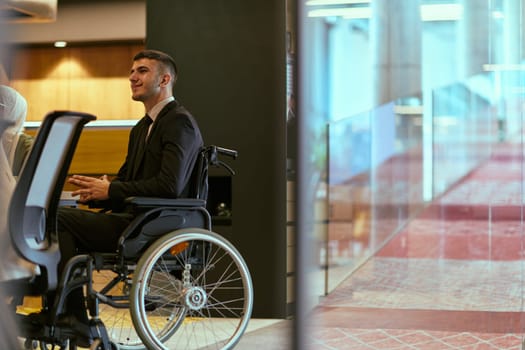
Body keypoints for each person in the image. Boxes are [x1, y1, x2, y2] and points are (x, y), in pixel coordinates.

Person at [52, 49, 204, 343]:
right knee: (54, 219)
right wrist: (96, 194)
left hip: (154, 224)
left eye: (142, 71)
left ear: (165, 79)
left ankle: (73, 317)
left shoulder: (179, 122)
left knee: (58, 220)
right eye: (132, 71)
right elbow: (128, 182)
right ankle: (66, 313)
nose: (133, 77)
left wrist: (112, 190)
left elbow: (169, 186)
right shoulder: (141, 128)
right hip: (135, 217)